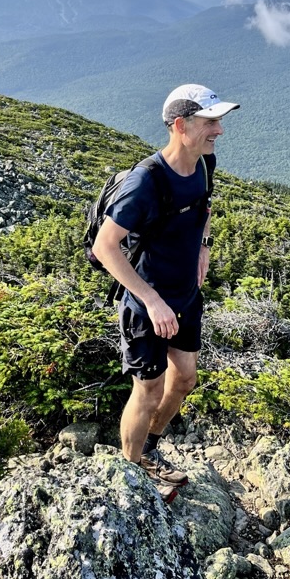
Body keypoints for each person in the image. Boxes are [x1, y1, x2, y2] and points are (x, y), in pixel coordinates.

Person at [91, 83, 239, 502]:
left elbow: (205, 207)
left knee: (185, 379)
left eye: (218, 121)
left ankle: (150, 448)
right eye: (211, 122)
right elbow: (105, 247)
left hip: (185, 295)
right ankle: (131, 470)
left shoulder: (205, 162)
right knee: (149, 389)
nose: (220, 130)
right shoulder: (145, 183)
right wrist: (152, 300)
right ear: (180, 125)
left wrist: (204, 247)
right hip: (146, 305)